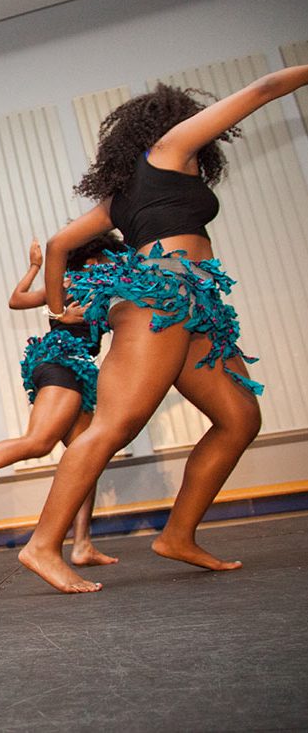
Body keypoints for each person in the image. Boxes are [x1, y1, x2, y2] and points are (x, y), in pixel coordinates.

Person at [18, 64, 308, 593]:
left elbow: (60, 244)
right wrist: (60, 312)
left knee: (240, 416)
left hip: (195, 305)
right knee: (114, 425)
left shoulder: (123, 195)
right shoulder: (171, 149)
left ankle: (177, 535)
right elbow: (267, 87)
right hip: (159, 296)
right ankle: (42, 545)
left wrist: (61, 307)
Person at [0, 235, 125, 567]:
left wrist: (35, 268)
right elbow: (20, 302)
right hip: (62, 363)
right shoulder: (79, 281)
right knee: (38, 441)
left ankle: (82, 544)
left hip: (70, 367)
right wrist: (59, 310)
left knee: (85, 455)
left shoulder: (75, 284)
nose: (113, 266)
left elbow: (17, 299)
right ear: (93, 261)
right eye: (109, 260)